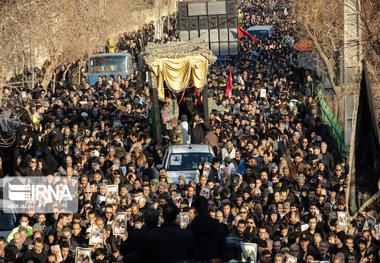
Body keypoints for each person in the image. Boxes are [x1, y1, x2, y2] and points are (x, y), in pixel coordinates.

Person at [126, 202, 197, 263]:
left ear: (163, 216)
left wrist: (124, 259)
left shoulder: (152, 234)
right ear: (176, 217)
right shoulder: (186, 234)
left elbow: (141, 253)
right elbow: (194, 254)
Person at [188, 197, 227, 261]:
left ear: (195, 210)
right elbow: (223, 248)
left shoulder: (191, 227)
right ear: (207, 208)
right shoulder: (217, 225)